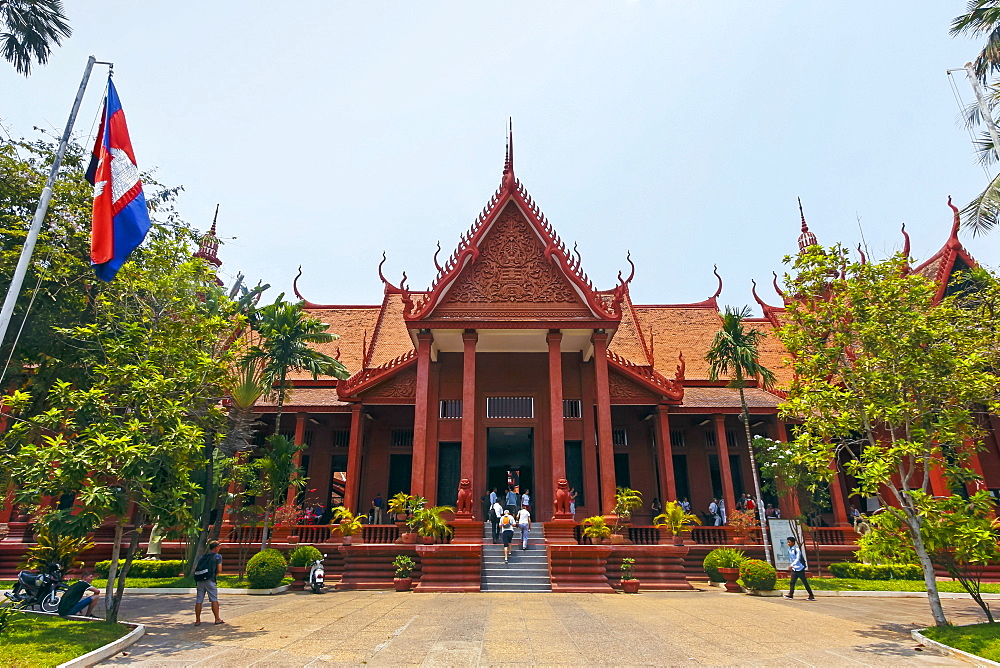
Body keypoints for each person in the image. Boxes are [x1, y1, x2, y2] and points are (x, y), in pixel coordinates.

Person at [194, 540, 225, 626]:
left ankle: (197, 620)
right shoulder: (217, 556)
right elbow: (219, 570)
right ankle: (217, 619)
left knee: (199, 600)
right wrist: (214, 575)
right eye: (218, 546)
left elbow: (196, 567)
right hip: (210, 580)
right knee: (214, 599)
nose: (219, 548)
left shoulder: (203, 557)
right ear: (215, 548)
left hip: (200, 580)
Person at [783, 536, 815, 601]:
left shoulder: (797, 550)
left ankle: (811, 595)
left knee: (804, 582)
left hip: (800, 568)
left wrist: (792, 565)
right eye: (788, 542)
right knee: (792, 582)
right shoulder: (789, 550)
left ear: (793, 542)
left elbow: (798, 558)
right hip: (794, 569)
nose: (788, 543)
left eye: (789, 542)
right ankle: (790, 594)